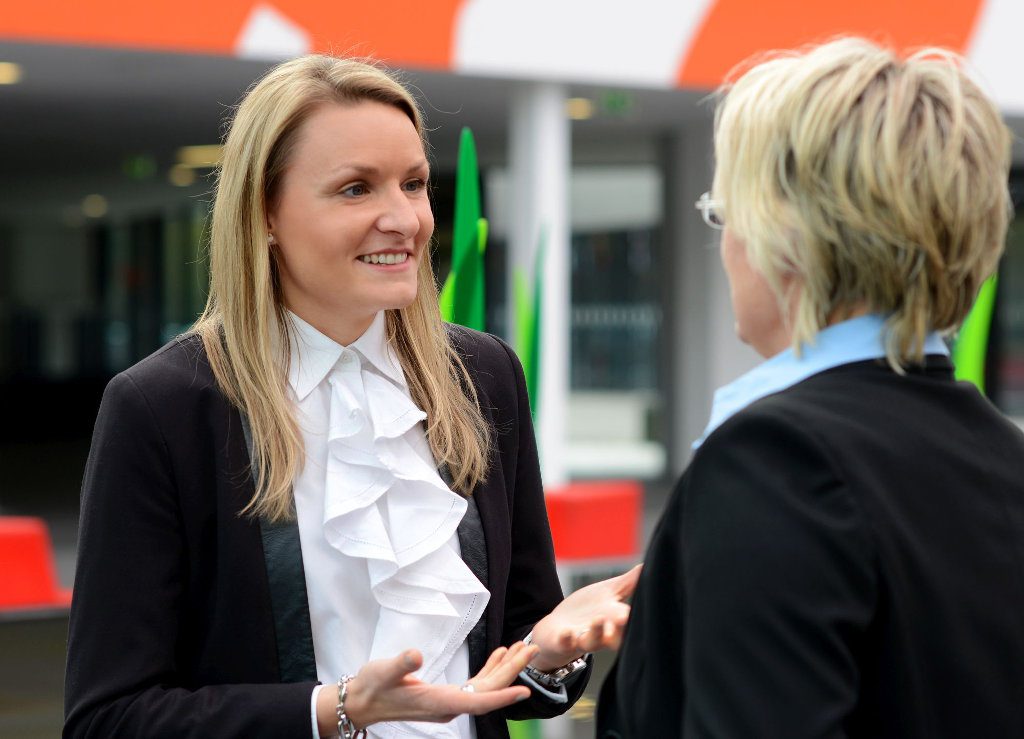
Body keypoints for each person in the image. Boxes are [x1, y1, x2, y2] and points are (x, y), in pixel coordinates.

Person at [64, 55, 639, 739]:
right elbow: (108, 718)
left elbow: (518, 671)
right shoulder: (163, 408)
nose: (403, 218)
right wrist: (334, 710)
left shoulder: (482, 377)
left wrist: (549, 655)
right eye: (355, 189)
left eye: (414, 183)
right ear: (266, 212)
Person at [597, 37, 1024, 738]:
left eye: (722, 212)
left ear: (784, 236)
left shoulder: (776, 460)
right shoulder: (1002, 455)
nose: (725, 244)